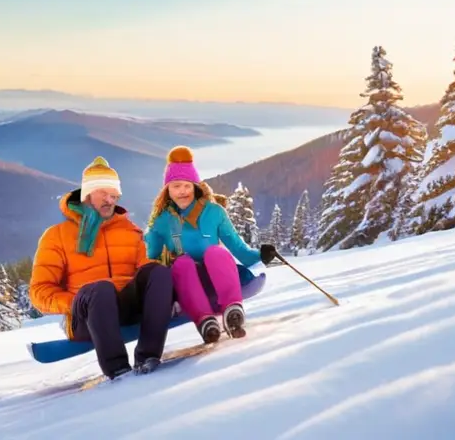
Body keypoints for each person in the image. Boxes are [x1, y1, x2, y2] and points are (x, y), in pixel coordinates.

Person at [29, 156, 175, 379]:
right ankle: (118, 370)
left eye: (114, 195)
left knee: (158, 272)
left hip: (125, 307)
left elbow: (146, 270)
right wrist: (75, 302)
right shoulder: (56, 236)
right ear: (87, 193)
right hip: (86, 315)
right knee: (101, 289)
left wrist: (168, 296)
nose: (110, 200)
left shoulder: (129, 230)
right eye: (103, 193)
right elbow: (39, 292)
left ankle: (148, 357)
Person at [145, 146, 277, 343]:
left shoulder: (214, 212)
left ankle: (232, 311)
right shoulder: (161, 221)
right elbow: (151, 259)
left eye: (187, 186)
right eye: (176, 186)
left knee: (216, 252)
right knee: (182, 263)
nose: (182, 192)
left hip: (216, 274)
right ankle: (206, 321)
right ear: (167, 190)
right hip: (186, 280)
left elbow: (238, 249)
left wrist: (261, 255)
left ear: (195, 187)